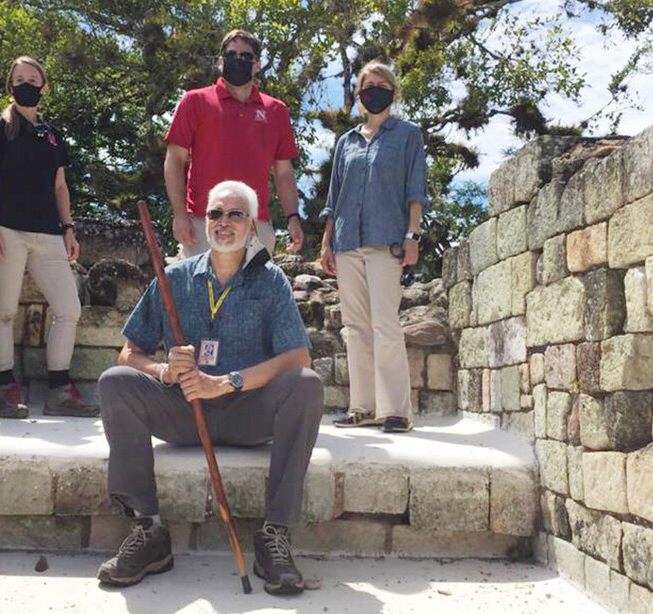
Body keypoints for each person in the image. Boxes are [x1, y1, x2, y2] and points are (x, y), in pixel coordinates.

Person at [97, 180, 323, 595]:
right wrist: (164, 370)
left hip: (247, 410)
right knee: (116, 384)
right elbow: (128, 354)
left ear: (251, 226)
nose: (223, 222)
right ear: (205, 222)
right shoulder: (175, 277)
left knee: (306, 386)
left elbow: (298, 358)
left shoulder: (270, 281)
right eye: (216, 213)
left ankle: (274, 535)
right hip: (185, 409)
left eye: (235, 214)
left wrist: (226, 382)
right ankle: (149, 532)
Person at [0, 56, 97, 419]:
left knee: (69, 309)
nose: (26, 84)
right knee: (4, 311)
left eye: (33, 78)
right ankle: (5, 388)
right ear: (10, 86)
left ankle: (60, 389)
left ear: (44, 87)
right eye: (19, 79)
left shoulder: (53, 135)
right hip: (9, 231)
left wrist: (69, 228)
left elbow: (60, 186)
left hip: (49, 235)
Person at [318, 60, 428, 434]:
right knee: (355, 327)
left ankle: (396, 411)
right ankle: (361, 408)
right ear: (360, 95)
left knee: (385, 324)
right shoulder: (345, 142)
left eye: (382, 84)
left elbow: (416, 192)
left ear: (393, 92)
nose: (374, 89)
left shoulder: (408, 135)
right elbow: (335, 197)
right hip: (346, 241)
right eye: (368, 84)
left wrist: (412, 237)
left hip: (387, 242)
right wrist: (326, 241)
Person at [164, 29, 304, 258]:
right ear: (220, 61)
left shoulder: (276, 110)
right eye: (231, 54)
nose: (238, 60)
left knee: (253, 295)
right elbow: (174, 160)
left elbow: (284, 172)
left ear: (257, 64)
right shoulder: (195, 101)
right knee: (201, 294)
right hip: (204, 224)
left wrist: (293, 217)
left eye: (246, 56)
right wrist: (180, 215)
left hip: (255, 227)